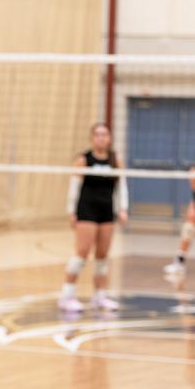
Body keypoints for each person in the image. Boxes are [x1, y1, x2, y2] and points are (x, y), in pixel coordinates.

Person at [59, 123, 129, 312]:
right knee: (81, 253)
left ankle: (99, 296)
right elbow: (74, 187)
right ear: (92, 138)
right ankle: (67, 295)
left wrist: (123, 208)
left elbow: (121, 186)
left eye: (104, 134)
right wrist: (71, 211)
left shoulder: (115, 160)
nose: (101, 138)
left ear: (109, 138)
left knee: (102, 256)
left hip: (106, 211)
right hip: (86, 210)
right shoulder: (83, 160)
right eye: (97, 135)